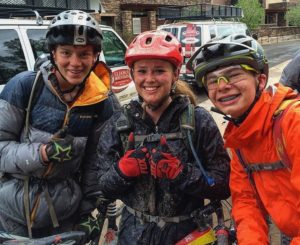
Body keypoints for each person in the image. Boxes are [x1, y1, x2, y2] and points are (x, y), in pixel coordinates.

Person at [84, 30, 230, 245]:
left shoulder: (198, 121)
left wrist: (182, 173)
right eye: (142, 71)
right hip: (132, 234)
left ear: (175, 73)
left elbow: (223, 185)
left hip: (187, 233)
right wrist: (122, 171)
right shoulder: (120, 123)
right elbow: (103, 185)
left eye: (159, 70)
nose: (150, 79)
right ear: (133, 75)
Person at [0, 10, 115, 239]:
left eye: (84, 54)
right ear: (53, 53)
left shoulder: (101, 102)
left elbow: (95, 163)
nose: (75, 63)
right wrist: (42, 153)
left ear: (95, 57)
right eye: (66, 53)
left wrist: (87, 211)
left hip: (65, 217)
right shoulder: (24, 87)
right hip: (11, 214)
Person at [187, 33, 300, 244]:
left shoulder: (293, 123)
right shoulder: (240, 138)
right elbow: (246, 202)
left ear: (261, 80)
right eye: (212, 80)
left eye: (234, 74)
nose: (222, 86)